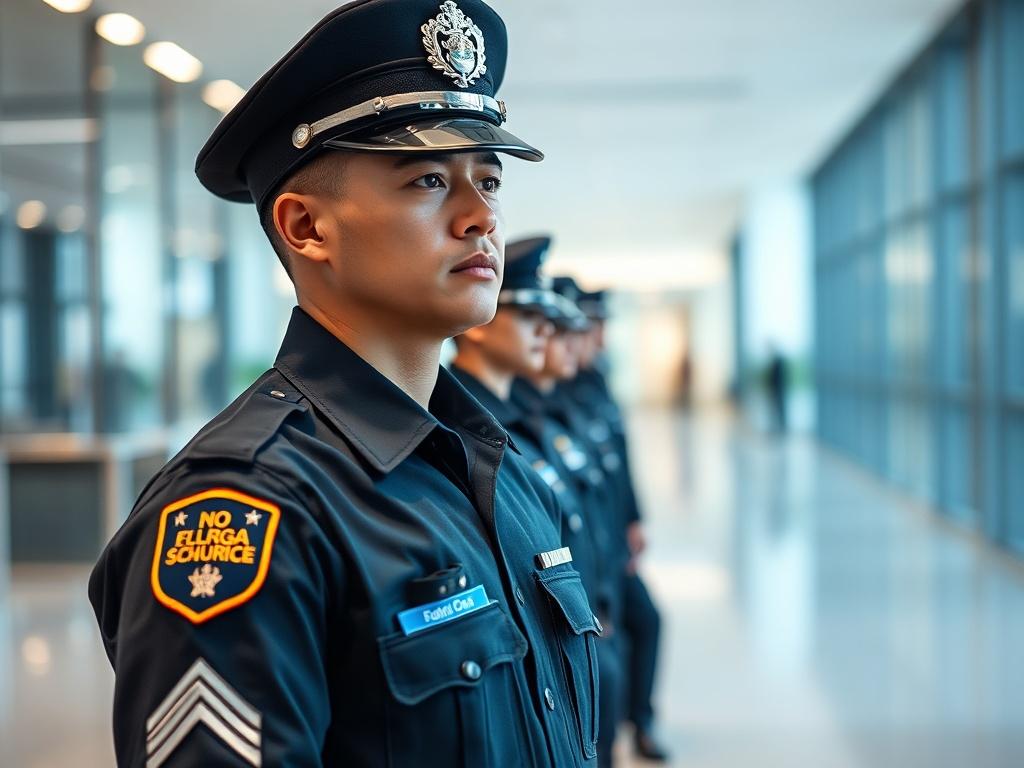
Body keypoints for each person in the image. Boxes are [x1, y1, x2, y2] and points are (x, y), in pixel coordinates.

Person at [88, 2, 602, 766]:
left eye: (488, 180)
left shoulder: (500, 470)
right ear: (306, 228)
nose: (479, 218)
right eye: (429, 179)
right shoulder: (248, 505)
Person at [450, 237, 622, 768]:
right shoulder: (467, 426)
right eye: (529, 317)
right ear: (478, 320)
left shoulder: (527, 418)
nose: (547, 335)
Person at [558, 283, 672, 763]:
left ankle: (639, 722)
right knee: (620, 642)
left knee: (643, 623)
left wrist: (633, 518)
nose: (595, 339)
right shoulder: (556, 397)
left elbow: (618, 463)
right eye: (587, 329)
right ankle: (624, 730)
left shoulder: (594, 383)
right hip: (586, 561)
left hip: (608, 543)